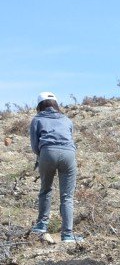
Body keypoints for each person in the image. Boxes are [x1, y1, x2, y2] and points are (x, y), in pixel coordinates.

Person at [28, 92, 81, 243]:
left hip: (47, 152)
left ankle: (41, 225)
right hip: (69, 154)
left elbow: (34, 145)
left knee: (45, 190)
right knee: (67, 196)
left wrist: (43, 155)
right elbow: (70, 137)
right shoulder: (66, 119)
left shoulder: (37, 119)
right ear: (55, 104)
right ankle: (68, 234)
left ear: (39, 105)